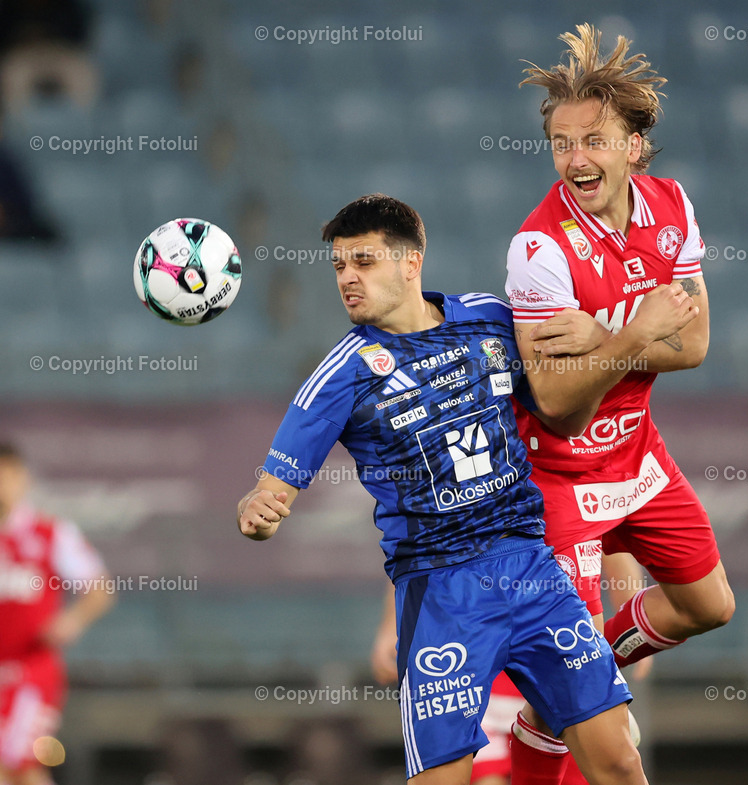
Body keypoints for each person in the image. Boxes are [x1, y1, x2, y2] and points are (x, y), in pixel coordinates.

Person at [236, 194, 695, 784]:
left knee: (618, 761)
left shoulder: (490, 318)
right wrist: (260, 511)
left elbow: (566, 403)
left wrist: (622, 335)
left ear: (411, 261)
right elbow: (270, 491)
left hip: (532, 568)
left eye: (364, 261)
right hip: (441, 593)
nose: (348, 277)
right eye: (339, 266)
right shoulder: (341, 374)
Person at [503, 25, 735, 780]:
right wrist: (637, 334)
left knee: (708, 604)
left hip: (637, 456)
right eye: (562, 143)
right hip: (560, 480)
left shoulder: (672, 207)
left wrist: (603, 339)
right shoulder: (538, 249)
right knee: (609, 751)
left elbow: (696, 344)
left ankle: (583, 669)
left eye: (594, 140)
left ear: (634, 144)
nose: (576, 160)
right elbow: (558, 403)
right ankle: (575, 687)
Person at [370, 553, 654, 785]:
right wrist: (389, 627)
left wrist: (632, 621)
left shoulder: (547, 497)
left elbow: (605, 538)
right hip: (483, 686)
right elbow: (417, 541)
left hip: (557, 672)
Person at [0, 442, 115, 785]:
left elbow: (99, 588)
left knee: (18, 761)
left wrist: (72, 620)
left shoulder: (50, 534)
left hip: (31, 673)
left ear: (22, 479)